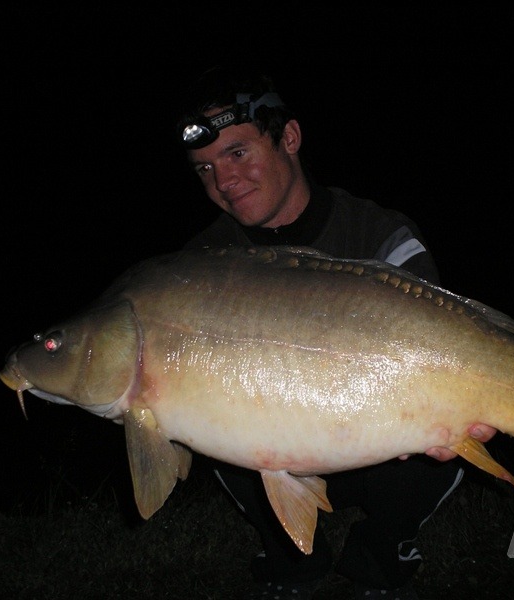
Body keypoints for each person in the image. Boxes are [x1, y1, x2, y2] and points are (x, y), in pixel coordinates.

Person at [175, 65, 497, 600]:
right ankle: (293, 561)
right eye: (204, 169)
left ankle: (380, 554)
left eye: (237, 153)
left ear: (290, 138)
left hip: (379, 442)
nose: (223, 182)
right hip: (267, 441)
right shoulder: (202, 264)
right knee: (206, 426)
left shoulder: (382, 235)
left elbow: (445, 348)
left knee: (433, 457)